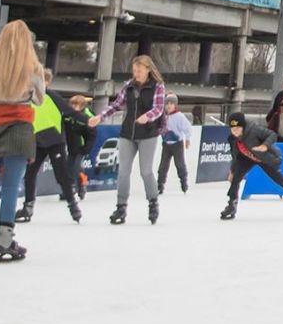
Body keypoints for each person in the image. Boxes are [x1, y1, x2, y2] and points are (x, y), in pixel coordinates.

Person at [0, 21, 45, 263]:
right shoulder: (31, 68)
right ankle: (5, 239)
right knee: (12, 186)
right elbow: (39, 99)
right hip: (19, 128)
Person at [90, 55, 167, 226]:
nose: (136, 74)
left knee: (146, 171)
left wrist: (148, 117)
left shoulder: (158, 86)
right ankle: (121, 207)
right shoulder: (128, 86)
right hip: (127, 133)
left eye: (139, 71)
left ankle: (153, 203)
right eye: (134, 71)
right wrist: (100, 117)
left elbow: (159, 108)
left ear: (148, 69)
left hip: (148, 133)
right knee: (123, 171)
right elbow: (116, 105)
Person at [219, 113, 283, 219]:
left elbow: (272, 135)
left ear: (243, 126)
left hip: (264, 157)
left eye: (238, 128)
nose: (235, 131)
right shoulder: (232, 138)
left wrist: (264, 146)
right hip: (246, 158)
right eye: (233, 129)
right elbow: (234, 155)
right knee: (235, 180)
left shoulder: (254, 130)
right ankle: (231, 205)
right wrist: (232, 170)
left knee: (279, 180)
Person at [19, 80, 84, 224]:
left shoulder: (51, 95)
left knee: (61, 175)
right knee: (30, 173)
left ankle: (72, 204)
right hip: (37, 142)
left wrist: (87, 120)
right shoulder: (26, 98)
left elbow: (69, 110)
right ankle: (28, 206)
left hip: (55, 141)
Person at [157, 94, 196, 194]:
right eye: (167, 104)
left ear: (175, 105)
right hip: (166, 144)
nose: (169, 106)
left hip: (177, 144)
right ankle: (160, 185)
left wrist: (187, 139)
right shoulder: (163, 116)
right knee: (163, 166)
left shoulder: (179, 116)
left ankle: (184, 182)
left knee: (179, 164)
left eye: (171, 104)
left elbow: (187, 128)